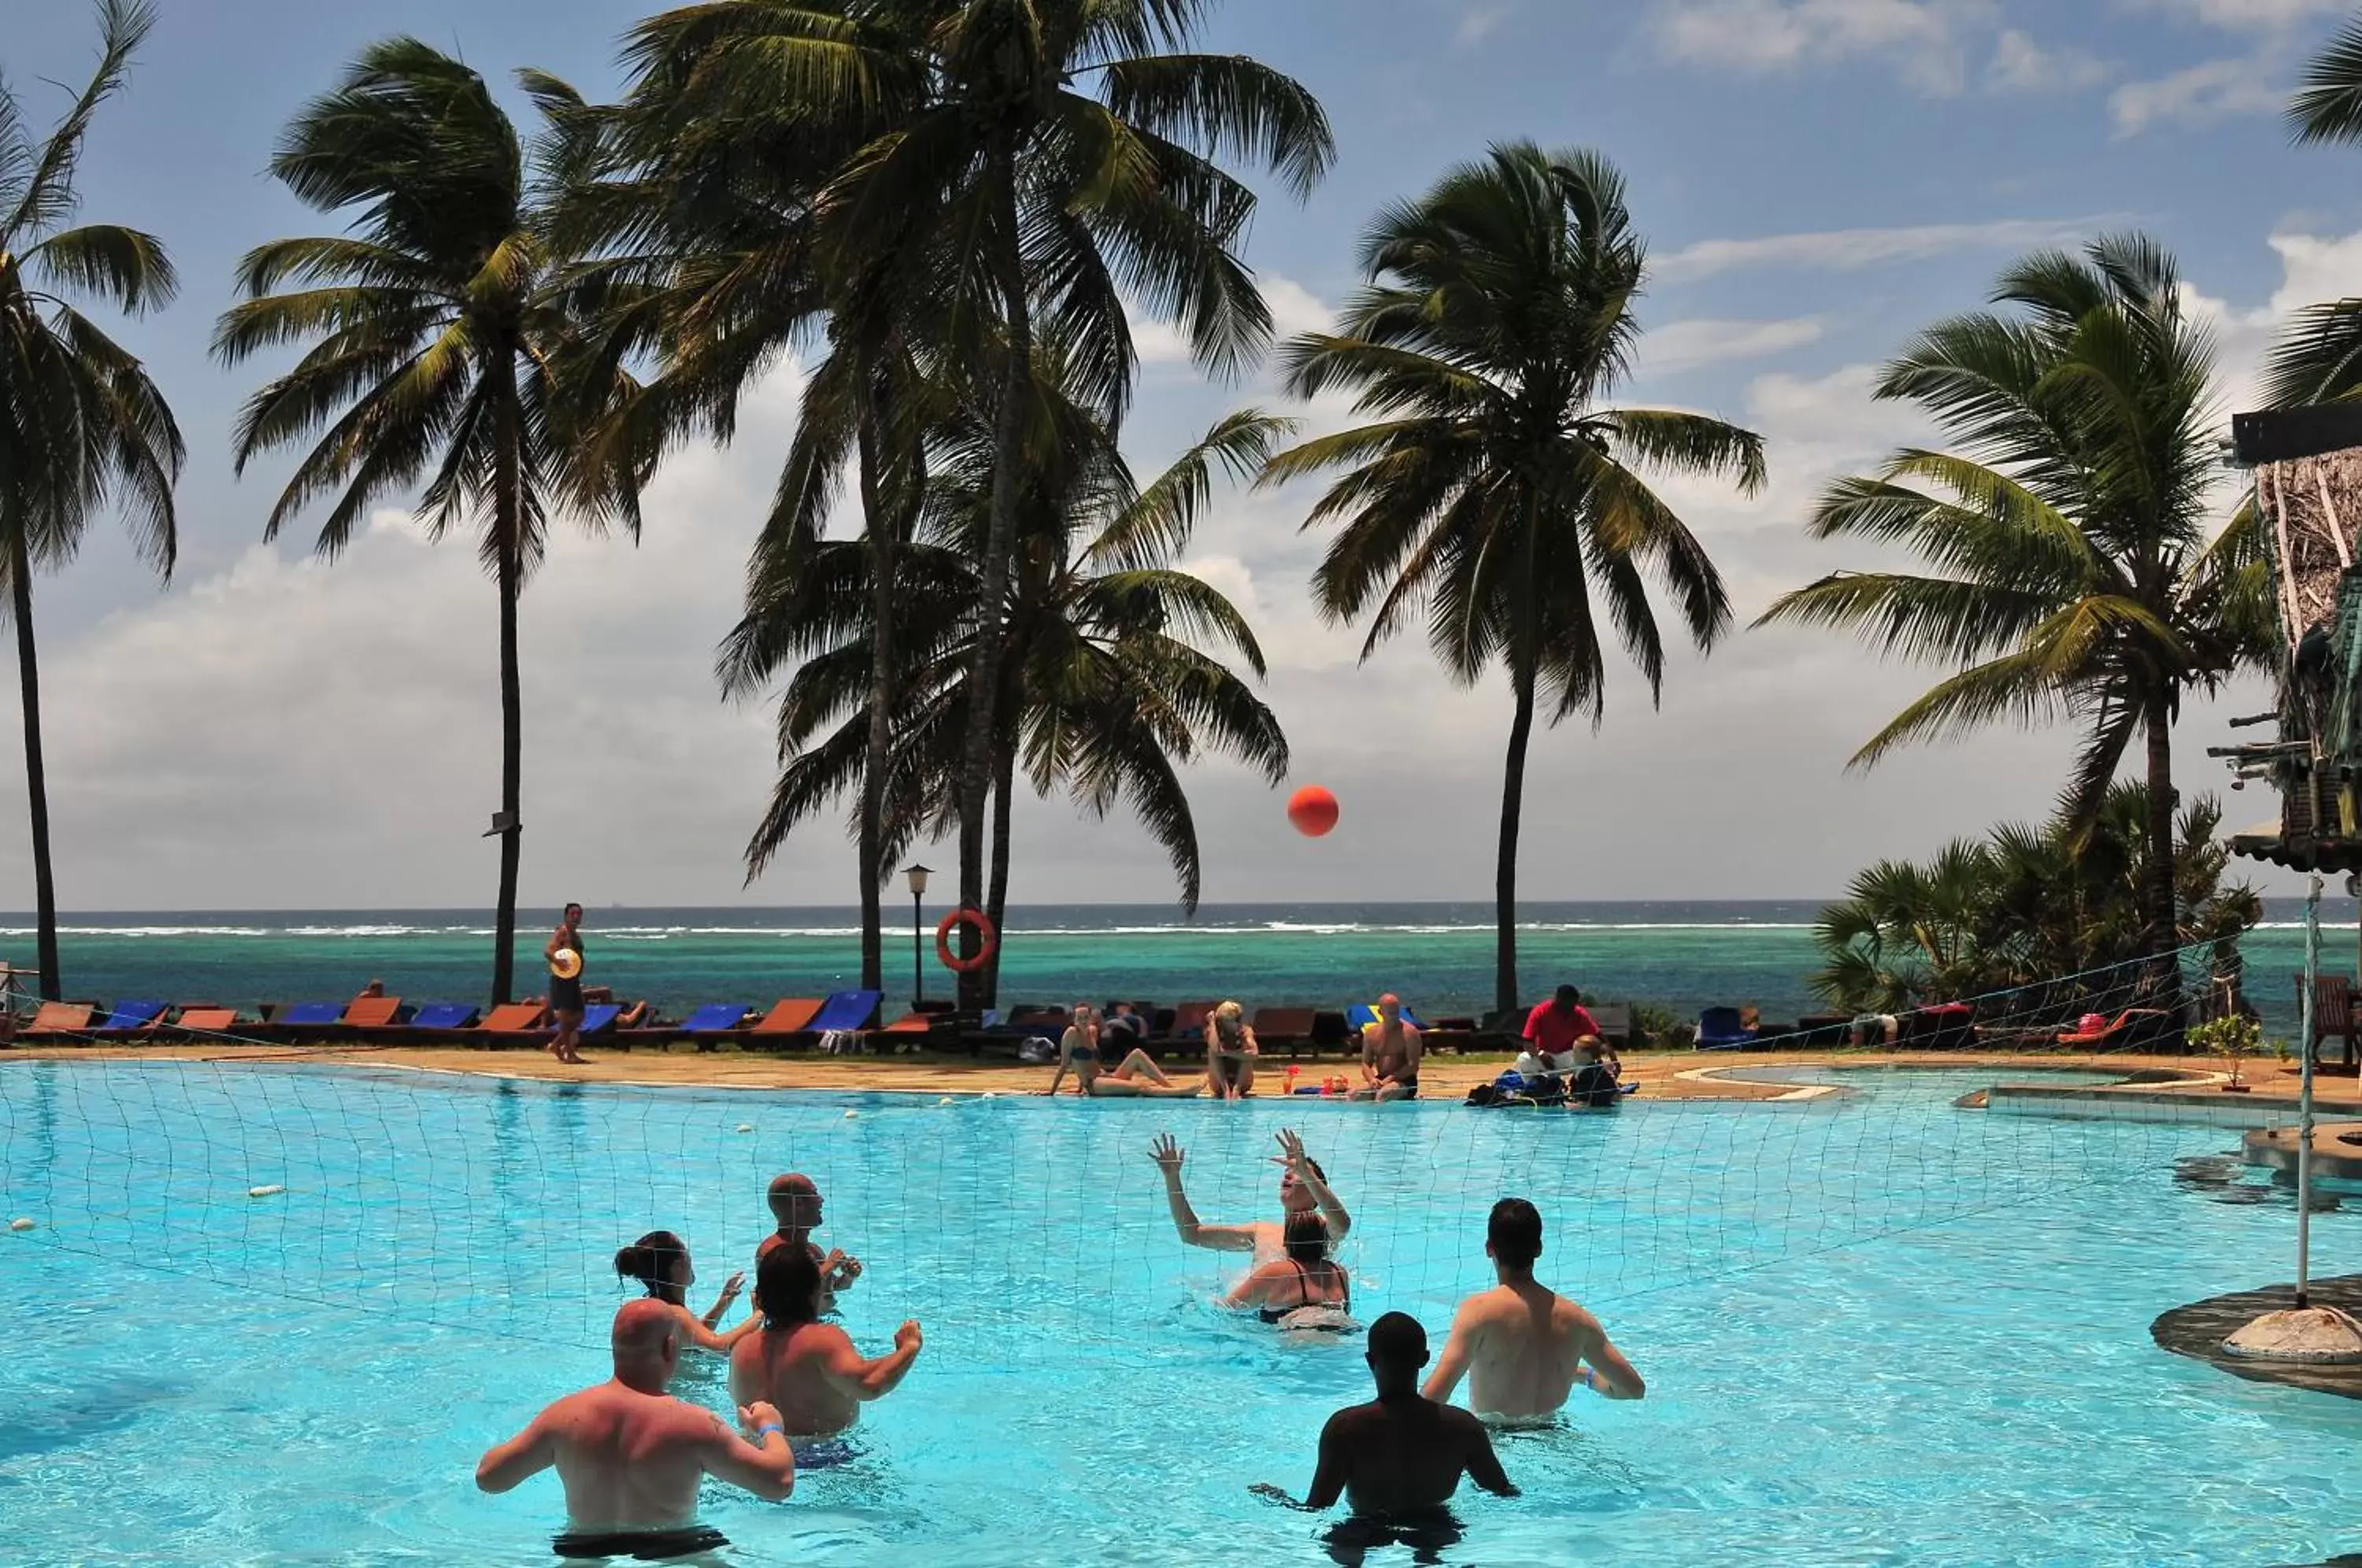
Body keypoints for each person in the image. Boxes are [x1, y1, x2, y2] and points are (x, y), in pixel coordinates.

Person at [475, 1298, 795, 1562]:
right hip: (678, 1548)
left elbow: (489, 1479)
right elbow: (778, 1483)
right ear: (671, 1347)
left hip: (581, 1550)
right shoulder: (696, 1424)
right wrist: (770, 1427)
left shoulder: (564, 1415)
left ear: (615, 1348)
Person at [1250, 1311, 1515, 1522]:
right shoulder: (1463, 1427)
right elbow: (1503, 1491)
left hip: (1365, 1530)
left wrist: (1276, 1496)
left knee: (1346, 1546)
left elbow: (1316, 1508)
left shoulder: (1345, 1428)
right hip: (1437, 1527)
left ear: (1369, 1360)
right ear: (1424, 1359)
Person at [1422, 1198, 1645, 1422]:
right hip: (1552, 1435)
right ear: (1538, 1249)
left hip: (1494, 1440)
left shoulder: (1478, 1312)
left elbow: (1432, 1399)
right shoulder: (1578, 1320)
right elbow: (1634, 1390)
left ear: (1490, 1248)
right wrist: (1584, 1375)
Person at [729, 1241, 923, 1440]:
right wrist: (909, 1348)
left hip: (760, 1454)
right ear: (815, 1291)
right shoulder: (823, 1339)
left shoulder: (742, 1348)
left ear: (760, 1296)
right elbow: (868, 1384)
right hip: (825, 1459)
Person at [1150, 1127, 1349, 1263]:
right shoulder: (1261, 1232)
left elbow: (1342, 1224)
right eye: (1288, 1170)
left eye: (1298, 1171)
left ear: (1316, 1193)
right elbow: (1192, 1234)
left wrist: (1308, 1174)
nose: (1288, 1173)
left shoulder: (1322, 1230)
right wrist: (1172, 1178)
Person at [613, 1230, 760, 1370]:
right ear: (677, 1266)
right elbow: (720, 1348)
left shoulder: (662, 1307)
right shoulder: (675, 1314)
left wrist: (721, 1305)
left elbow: (692, 1337)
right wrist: (760, 1313)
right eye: (686, 1253)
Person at [1225, 1209, 1356, 1332]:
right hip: (1342, 1333)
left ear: (1286, 1241)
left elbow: (1230, 1307)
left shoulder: (1275, 1272)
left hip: (1298, 1340)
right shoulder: (1339, 1272)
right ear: (1325, 1241)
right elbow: (1346, 1310)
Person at [755, 1173, 861, 1305]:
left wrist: (848, 1276)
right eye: (814, 1194)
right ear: (798, 1203)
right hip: (795, 1325)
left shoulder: (814, 1250)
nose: (821, 1200)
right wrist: (830, 1265)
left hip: (823, 1320)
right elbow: (791, 1294)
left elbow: (832, 1287)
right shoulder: (773, 1251)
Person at [1047, 1014, 1201, 1096]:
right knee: (1141, 1087)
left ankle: (1169, 1087)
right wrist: (1051, 1092)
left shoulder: (1092, 1032)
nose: (1083, 1021)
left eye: (1086, 1018)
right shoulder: (1071, 1033)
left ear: (1090, 1018)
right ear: (1074, 1020)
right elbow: (1065, 1064)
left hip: (1106, 1076)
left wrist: (1078, 1089)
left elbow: (1089, 1061)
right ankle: (1178, 1093)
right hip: (1095, 1084)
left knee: (1137, 1054)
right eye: (1079, 1018)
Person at [1351, 994, 1421, 1101]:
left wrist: (1390, 1079)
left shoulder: (1409, 1033)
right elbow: (1366, 1063)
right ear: (1381, 1013)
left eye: (1396, 1013)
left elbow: (1413, 1066)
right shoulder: (1371, 1034)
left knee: (1383, 1094)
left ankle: (1382, 1118)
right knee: (1354, 1094)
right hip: (1381, 1078)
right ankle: (1369, 1118)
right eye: (1391, 1014)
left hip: (1404, 1081)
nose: (1395, 1017)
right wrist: (1372, 1080)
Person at [1520, 984, 1601, 1075]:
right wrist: (1540, 1054)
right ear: (1558, 1000)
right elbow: (1527, 1042)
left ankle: (1581, 1085)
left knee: (1586, 1057)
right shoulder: (1540, 1011)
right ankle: (1533, 1087)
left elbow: (1598, 1036)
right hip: (1546, 1056)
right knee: (1523, 1059)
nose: (1571, 1008)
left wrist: (1613, 1059)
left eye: (1573, 1004)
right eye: (1567, 1003)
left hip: (1569, 1056)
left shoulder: (1578, 1013)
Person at [545, 902, 587, 1065]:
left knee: (579, 1015)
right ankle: (570, 1054)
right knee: (566, 1016)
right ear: (566, 916)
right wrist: (558, 961)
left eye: (579, 914)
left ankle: (556, 1045)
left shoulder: (576, 935)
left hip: (573, 980)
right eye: (573, 914)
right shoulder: (561, 932)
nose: (576, 917)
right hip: (561, 980)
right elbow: (548, 950)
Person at [1206, 1000, 1260, 1101]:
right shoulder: (1214, 1030)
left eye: (1234, 1020)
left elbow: (1255, 1054)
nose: (1230, 1024)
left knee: (1247, 1054)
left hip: (1243, 1082)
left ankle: (1236, 1089)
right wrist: (1212, 1023)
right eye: (1225, 1020)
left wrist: (1227, 1053)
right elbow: (1216, 1050)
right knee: (1212, 1053)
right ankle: (1225, 1089)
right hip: (1218, 1083)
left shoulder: (1245, 1030)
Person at [1566, 1041, 1622, 1110]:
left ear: (1586, 1055)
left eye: (1575, 1051)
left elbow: (1584, 1105)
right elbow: (1617, 1098)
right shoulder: (1602, 1070)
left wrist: (1565, 1106)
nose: (1572, 1055)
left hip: (1592, 1115)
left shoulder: (1586, 1074)